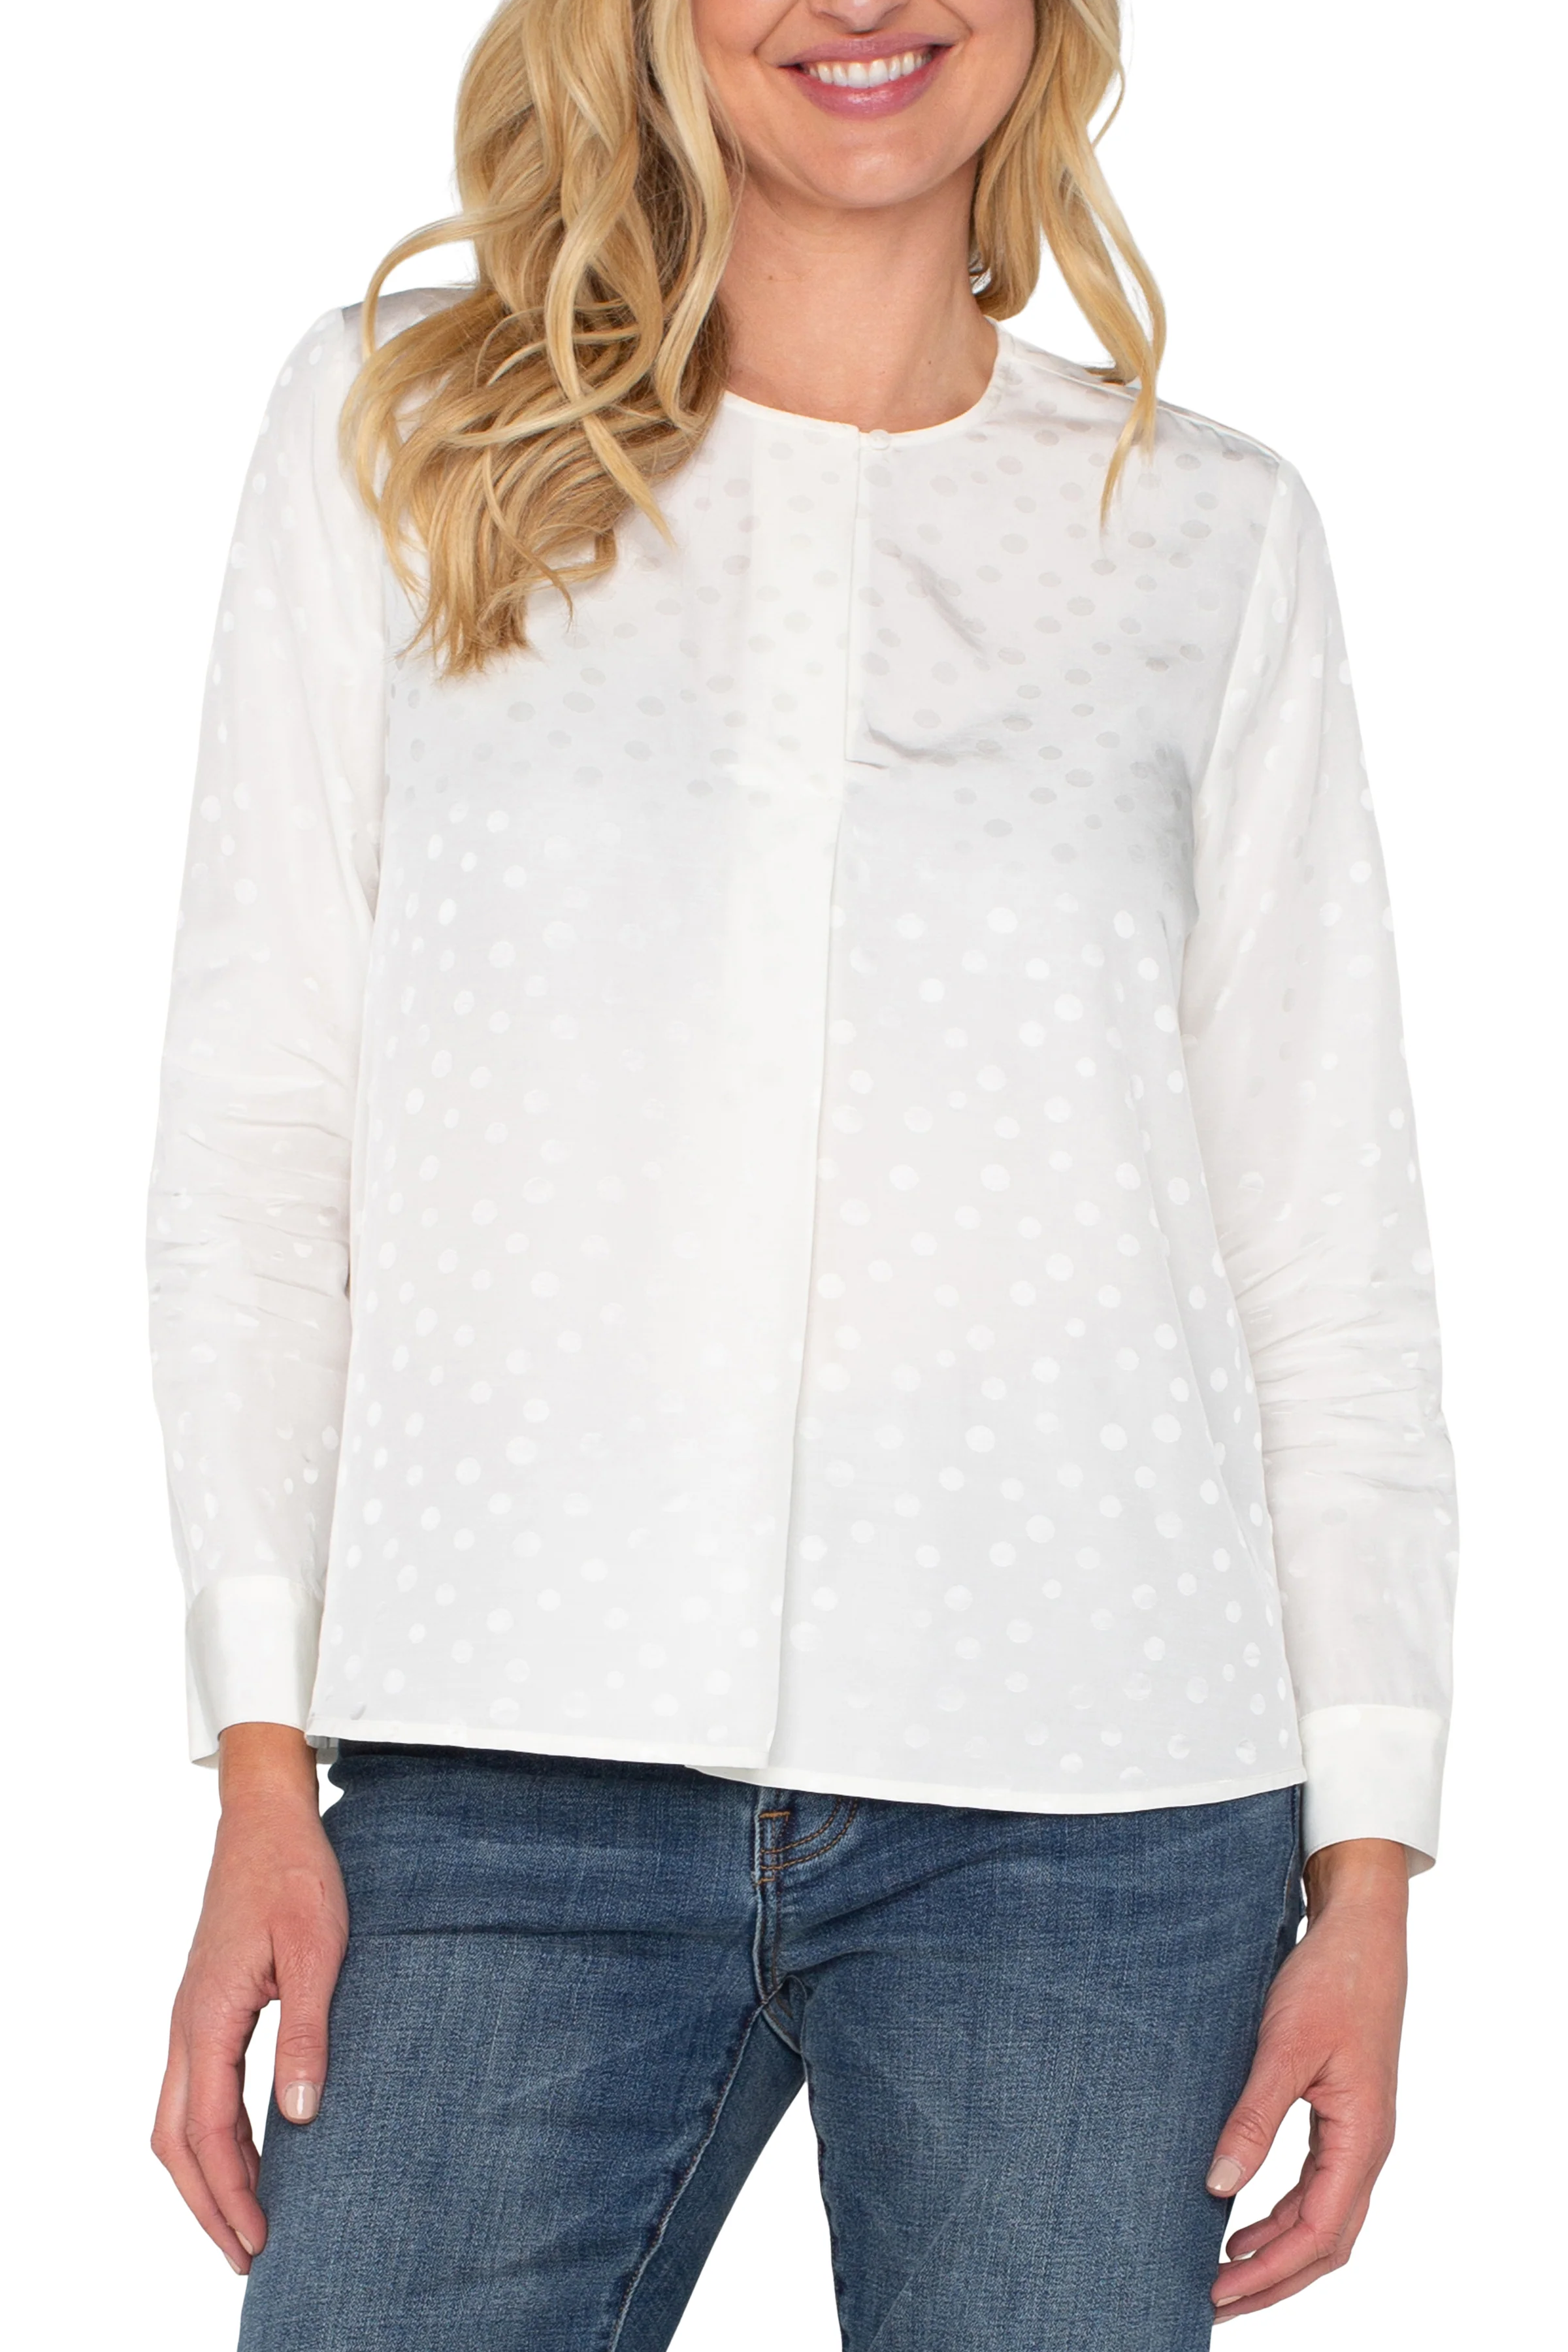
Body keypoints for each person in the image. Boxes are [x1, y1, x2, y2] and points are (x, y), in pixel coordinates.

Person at [144, 4, 1458, 2346]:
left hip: (1089, 1810)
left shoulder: (1208, 535)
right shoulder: (402, 437)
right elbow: (263, 1134)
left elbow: (1323, 1252)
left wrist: (1369, 1870)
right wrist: (258, 1756)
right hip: (507, 1764)